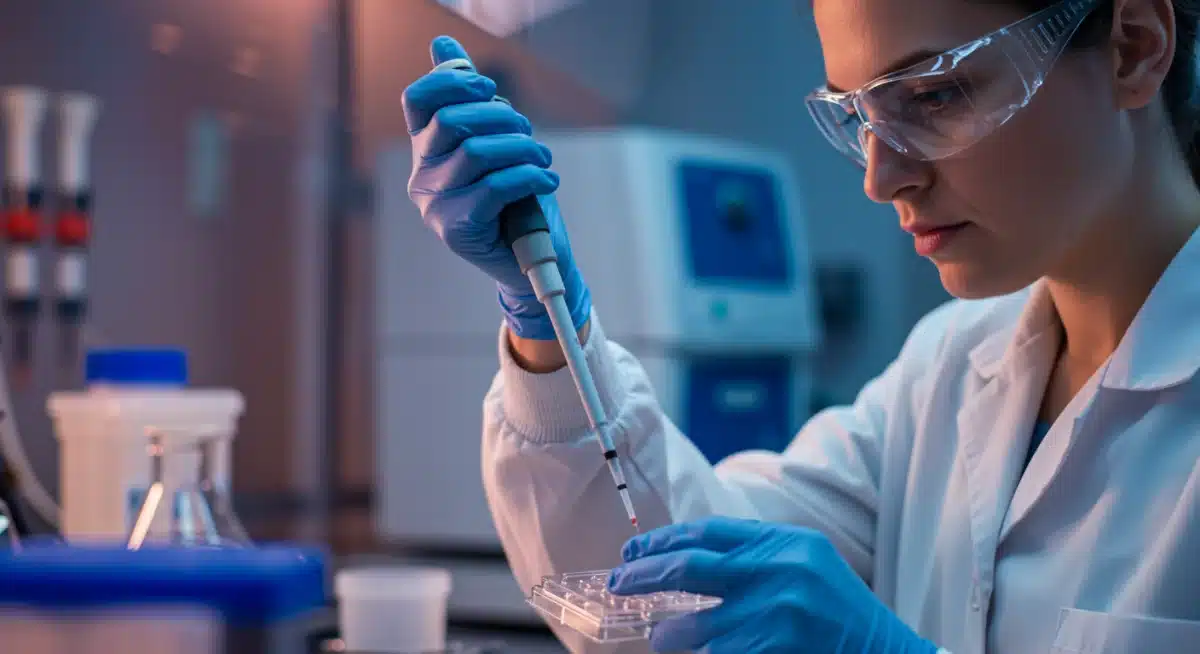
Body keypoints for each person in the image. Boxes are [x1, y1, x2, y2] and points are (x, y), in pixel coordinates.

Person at [400, 0, 1200, 646]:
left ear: (1133, 45)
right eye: (860, 116)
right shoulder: (948, 371)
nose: (882, 179)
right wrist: (549, 324)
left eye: (933, 95)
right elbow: (671, 585)